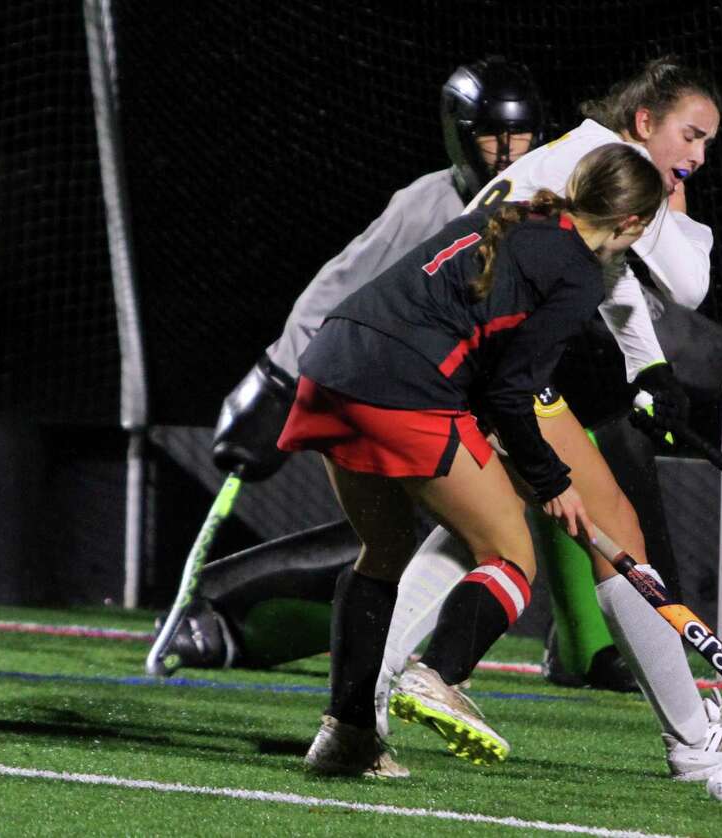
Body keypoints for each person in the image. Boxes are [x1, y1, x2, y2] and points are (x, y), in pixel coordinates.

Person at [333, 59, 722, 783]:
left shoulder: (580, 156)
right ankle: (691, 737)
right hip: (482, 363)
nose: (699, 156)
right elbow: (685, 283)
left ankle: (366, 706)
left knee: (478, 532)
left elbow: (610, 273)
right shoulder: (611, 162)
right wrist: (674, 209)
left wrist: (648, 367)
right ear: (644, 121)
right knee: (614, 531)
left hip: (440, 354)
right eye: (691, 135)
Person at [154, 56, 641, 693]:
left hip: (462, 393)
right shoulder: (428, 204)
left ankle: (571, 651)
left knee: (434, 534)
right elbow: (342, 284)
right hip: (406, 392)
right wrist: (274, 375)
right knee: (428, 542)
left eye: (520, 136)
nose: (507, 153)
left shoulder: (539, 208)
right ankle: (242, 625)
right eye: (491, 137)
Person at [279, 144, 665, 779]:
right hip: (402, 385)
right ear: (632, 224)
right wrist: (553, 481)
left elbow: (485, 361)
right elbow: (512, 392)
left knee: (383, 550)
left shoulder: (518, 215)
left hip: (330, 366)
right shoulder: (577, 275)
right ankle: (439, 674)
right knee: (510, 556)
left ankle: (346, 735)